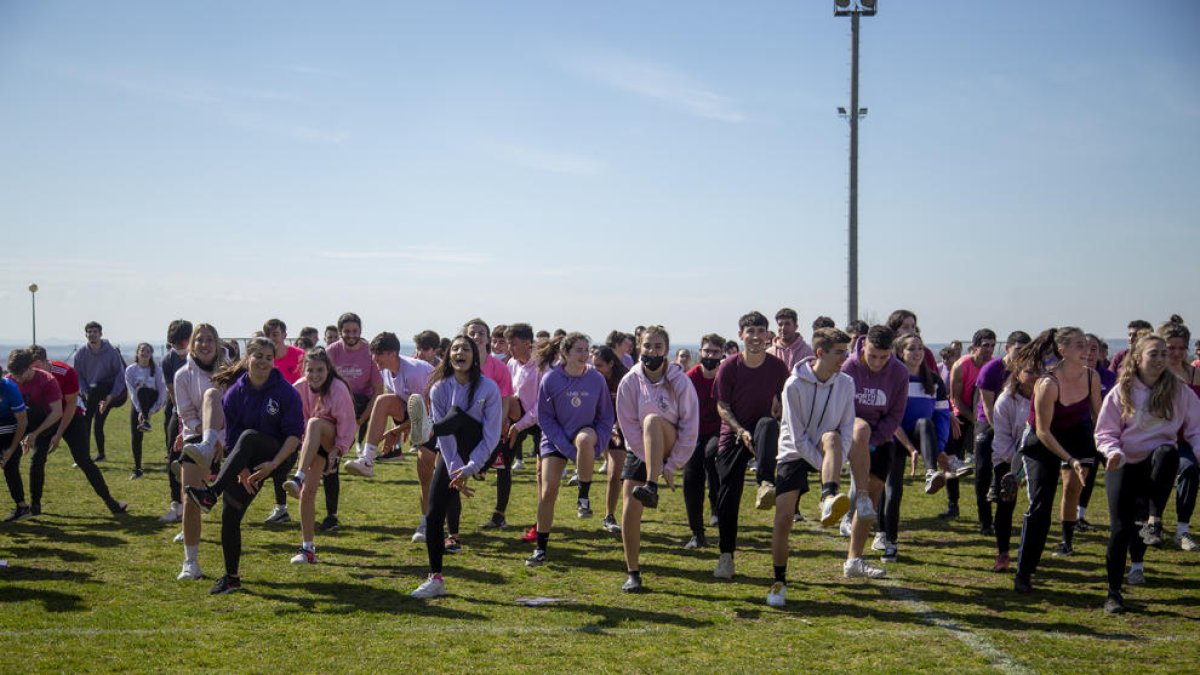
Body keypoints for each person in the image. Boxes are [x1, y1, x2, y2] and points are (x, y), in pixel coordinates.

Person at [184, 337, 305, 594]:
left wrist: (273, 465)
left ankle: (210, 493)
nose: (263, 361)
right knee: (230, 514)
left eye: (268, 357)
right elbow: (231, 440)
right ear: (247, 358)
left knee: (250, 436)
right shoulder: (235, 394)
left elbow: (294, 436)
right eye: (258, 355)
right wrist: (241, 470)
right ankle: (231, 577)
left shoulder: (285, 391)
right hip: (247, 459)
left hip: (280, 456)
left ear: (274, 361)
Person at [1094, 333, 1200, 613]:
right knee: (1120, 528)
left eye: (1164, 354)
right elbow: (1105, 431)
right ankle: (1113, 592)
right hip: (1124, 462)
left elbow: (1196, 429)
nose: (1160, 359)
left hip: (1157, 465)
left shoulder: (1179, 391)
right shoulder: (1122, 391)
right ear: (1138, 357)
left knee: (1168, 451)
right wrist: (1113, 451)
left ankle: (1155, 519)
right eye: (1154, 353)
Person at [407, 335, 502, 598]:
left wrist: (472, 466)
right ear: (449, 356)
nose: (460, 352)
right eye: (456, 348)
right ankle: (436, 578)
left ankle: (427, 430)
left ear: (474, 356)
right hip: (451, 450)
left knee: (458, 415)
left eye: (466, 349)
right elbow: (446, 442)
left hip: (480, 447)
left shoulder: (488, 388)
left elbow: (492, 435)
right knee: (434, 515)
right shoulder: (440, 388)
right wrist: (455, 470)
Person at [766, 328, 857, 607]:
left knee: (831, 438)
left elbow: (845, 429)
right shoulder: (793, 385)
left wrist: (835, 464)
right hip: (794, 452)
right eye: (840, 352)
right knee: (783, 519)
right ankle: (779, 581)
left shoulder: (846, 383)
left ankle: (828, 497)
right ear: (820, 353)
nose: (846, 357)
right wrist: (823, 466)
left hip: (826, 448)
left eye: (846, 351)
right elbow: (796, 437)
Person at [1013, 327, 1102, 594]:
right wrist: (1069, 459)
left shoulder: (1091, 377)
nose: (1086, 351)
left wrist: (1109, 446)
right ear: (1062, 350)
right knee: (1041, 505)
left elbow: (1098, 417)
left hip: (1075, 433)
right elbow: (1042, 431)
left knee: (1077, 485)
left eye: (1087, 345)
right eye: (1079, 346)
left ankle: (1068, 540)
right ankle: (1024, 572)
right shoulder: (1048, 383)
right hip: (1042, 440)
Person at [615, 325, 699, 592]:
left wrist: (671, 465)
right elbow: (628, 426)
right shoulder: (629, 381)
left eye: (658, 347)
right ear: (639, 347)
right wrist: (651, 461)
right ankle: (633, 572)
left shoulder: (681, 382)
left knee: (652, 419)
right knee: (629, 507)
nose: (652, 351)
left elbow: (690, 427)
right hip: (640, 448)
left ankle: (652, 485)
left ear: (666, 350)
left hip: (670, 443)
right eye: (647, 346)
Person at [710, 311, 790, 580]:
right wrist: (740, 430)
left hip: (764, 432)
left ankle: (766, 482)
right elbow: (722, 406)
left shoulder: (778, 368)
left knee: (768, 424)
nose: (756, 337)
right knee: (728, 495)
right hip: (734, 432)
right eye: (750, 331)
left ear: (769, 335)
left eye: (760, 331)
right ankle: (725, 556)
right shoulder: (729, 366)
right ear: (741, 335)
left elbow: (787, 402)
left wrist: (780, 413)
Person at [525, 332, 613, 566]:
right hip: (555, 438)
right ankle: (540, 548)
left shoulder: (596, 379)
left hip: (585, 433)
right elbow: (545, 418)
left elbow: (605, 416)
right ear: (565, 353)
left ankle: (583, 498)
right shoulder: (551, 379)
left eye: (587, 350)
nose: (585, 355)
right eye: (579, 350)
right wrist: (566, 448)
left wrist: (599, 443)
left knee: (585, 439)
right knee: (547, 491)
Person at [343, 332, 435, 542]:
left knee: (427, 471)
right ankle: (367, 460)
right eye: (373, 354)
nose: (374, 360)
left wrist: (396, 431)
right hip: (419, 419)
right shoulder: (386, 372)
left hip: (438, 420)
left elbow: (427, 412)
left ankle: (433, 522)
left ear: (393, 353)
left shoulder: (414, 372)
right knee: (383, 400)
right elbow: (403, 405)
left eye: (378, 355)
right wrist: (397, 429)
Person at [840, 325, 907, 577]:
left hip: (880, 439)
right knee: (861, 428)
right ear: (864, 345)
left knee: (871, 500)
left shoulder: (899, 373)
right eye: (872, 355)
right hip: (850, 430)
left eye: (884, 356)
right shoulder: (849, 367)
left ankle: (854, 560)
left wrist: (875, 441)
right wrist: (859, 441)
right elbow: (842, 409)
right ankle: (855, 492)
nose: (877, 362)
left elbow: (896, 414)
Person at [27, 346, 125, 516]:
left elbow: (70, 406)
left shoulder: (65, 372)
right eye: (31, 367)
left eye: (37, 366)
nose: (34, 371)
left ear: (45, 361)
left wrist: (58, 435)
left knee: (83, 460)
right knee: (37, 459)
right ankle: (34, 505)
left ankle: (111, 501)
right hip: (47, 419)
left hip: (71, 417)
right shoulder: (28, 376)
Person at [283, 348, 356, 564]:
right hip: (312, 444)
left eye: (320, 370)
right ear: (303, 370)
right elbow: (295, 422)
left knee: (315, 422)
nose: (315, 375)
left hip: (332, 438)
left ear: (328, 369)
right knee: (308, 493)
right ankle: (308, 549)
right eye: (310, 370)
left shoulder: (338, 388)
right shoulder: (298, 388)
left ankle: (297, 476)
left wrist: (339, 450)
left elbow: (349, 423)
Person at [890, 333, 951, 562]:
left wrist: (940, 447)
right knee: (892, 490)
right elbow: (889, 416)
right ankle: (888, 539)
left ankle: (930, 471)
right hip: (894, 437)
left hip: (919, 434)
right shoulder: (894, 378)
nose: (917, 353)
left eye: (920, 348)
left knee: (925, 423)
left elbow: (943, 416)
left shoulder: (933, 380)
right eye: (911, 348)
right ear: (901, 353)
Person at [323, 312, 385, 530]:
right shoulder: (331, 352)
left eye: (355, 331)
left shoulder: (369, 353)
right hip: (336, 406)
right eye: (347, 331)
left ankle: (363, 454)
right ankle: (331, 515)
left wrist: (359, 421)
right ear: (340, 332)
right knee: (330, 460)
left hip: (360, 405)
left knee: (334, 456)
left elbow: (378, 391)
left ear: (360, 331)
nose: (351, 335)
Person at [175, 323, 227, 580]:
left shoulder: (231, 371)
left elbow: (237, 409)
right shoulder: (182, 375)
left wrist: (219, 438)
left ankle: (232, 568)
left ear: (217, 344)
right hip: (195, 438)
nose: (204, 344)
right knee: (190, 499)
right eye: (199, 340)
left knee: (233, 507)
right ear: (191, 344)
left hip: (227, 439)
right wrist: (207, 436)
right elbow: (186, 415)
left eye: (209, 339)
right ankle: (190, 562)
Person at [972, 331, 1031, 535]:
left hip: (1014, 424)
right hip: (988, 422)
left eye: (1026, 351)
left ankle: (1002, 511)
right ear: (1007, 348)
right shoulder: (991, 369)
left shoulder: (1026, 372)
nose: (1021, 355)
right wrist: (999, 431)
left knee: (1010, 471)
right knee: (983, 468)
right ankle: (985, 520)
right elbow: (988, 406)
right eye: (1018, 350)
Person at [989, 361, 1040, 572]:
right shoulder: (1005, 400)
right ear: (1017, 374)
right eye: (1029, 372)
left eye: (1038, 372)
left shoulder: (1047, 394)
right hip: (1007, 457)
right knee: (1005, 502)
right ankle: (1003, 553)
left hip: (1037, 455)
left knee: (1038, 506)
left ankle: (1030, 555)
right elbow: (1001, 439)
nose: (1034, 376)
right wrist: (1018, 468)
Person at [1158, 316, 1200, 551]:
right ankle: (1152, 522)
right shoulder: (1153, 374)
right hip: (1155, 439)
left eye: (1182, 348)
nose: (1177, 353)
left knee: (1190, 469)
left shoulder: (1195, 375)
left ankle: (1183, 529)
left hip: (1186, 440)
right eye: (1171, 348)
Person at [944, 329, 994, 519]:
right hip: (962, 414)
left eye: (991, 345)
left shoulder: (993, 365)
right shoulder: (961, 365)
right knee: (953, 460)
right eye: (984, 345)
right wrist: (974, 419)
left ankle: (988, 498)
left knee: (987, 460)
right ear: (974, 347)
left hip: (985, 414)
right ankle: (952, 503)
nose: (988, 350)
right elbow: (955, 399)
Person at [3, 350, 58, 521]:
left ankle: (35, 504)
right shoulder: (10, 381)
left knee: (36, 462)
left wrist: (34, 434)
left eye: (20, 374)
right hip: (21, 421)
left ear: (30, 368)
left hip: (45, 423)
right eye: (13, 374)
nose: (17, 378)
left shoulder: (47, 380)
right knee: (10, 462)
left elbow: (57, 412)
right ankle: (22, 506)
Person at [262, 318, 306, 525]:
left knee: (285, 465)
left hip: (296, 418)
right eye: (269, 334)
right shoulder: (264, 360)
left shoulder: (299, 356)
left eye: (276, 334)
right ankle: (281, 508)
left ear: (284, 335)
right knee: (277, 465)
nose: (273, 337)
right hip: (271, 419)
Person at [682, 333, 725, 549]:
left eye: (715, 352)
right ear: (700, 352)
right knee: (691, 478)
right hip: (694, 433)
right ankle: (697, 533)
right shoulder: (690, 378)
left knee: (712, 456)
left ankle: (716, 507)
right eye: (707, 351)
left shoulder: (725, 377)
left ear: (722, 354)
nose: (710, 355)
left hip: (720, 431)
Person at [493, 323, 540, 493]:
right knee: (503, 466)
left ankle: (542, 518)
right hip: (517, 417)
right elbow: (509, 393)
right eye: (508, 343)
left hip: (540, 422)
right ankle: (499, 514)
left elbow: (542, 405)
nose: (509, 348)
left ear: (528, 343)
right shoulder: (512, 363)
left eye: (513, 344)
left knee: (542, 473)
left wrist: (519, 426)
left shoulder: (541, 366)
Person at [73, 321, 127, 462]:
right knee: (86, 422)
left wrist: (111, 396)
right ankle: (85, 456)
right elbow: (78, 375)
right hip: (90, 392)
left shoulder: (111, 352)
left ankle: (100, 454)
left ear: (100, 334)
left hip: (108, 391)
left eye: (95, 332)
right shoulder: (81, 353)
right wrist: (84, 392)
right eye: (89, 332)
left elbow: (120, 375)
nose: (92, 334)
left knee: (97, 422)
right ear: (86, 334)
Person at [591, 346, 628, 534]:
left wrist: (618, 427)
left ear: (611, 364)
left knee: (615, 475)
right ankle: (583, 498)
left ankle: (609, 515)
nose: (594, 369)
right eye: (593, 365)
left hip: (620, 428)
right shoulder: (590, 378)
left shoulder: (625, 380)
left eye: (599, 365)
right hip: (597, 427)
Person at [159, 320, 193, 523]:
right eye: (175, 343)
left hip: (203, 414)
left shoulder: (201, 356)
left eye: (183, 342)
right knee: (173, 456)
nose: (180, 346)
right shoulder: (167, 361)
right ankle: (176, 505)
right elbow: (173, 394)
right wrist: (182, 420)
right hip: (179, 412)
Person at [124, 342, 168, 480]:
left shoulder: (157, 370)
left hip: (152, 402)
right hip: (137, 405)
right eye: (142, 350)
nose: (144, 353)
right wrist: (140, 412)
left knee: (143, 389)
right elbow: (132, 393)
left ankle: (146, 421)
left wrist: (150, 411)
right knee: (136, 437)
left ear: (151, 354)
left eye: (148, 351)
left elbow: (162, 394)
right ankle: (138, 469)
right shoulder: (130, 370)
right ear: (137, 353)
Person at [767, 308, 816, 373]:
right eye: (780, 324)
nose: (783, 328)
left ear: (796, 326)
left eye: (787, 324)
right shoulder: (769, 353)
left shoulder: (807, 352)